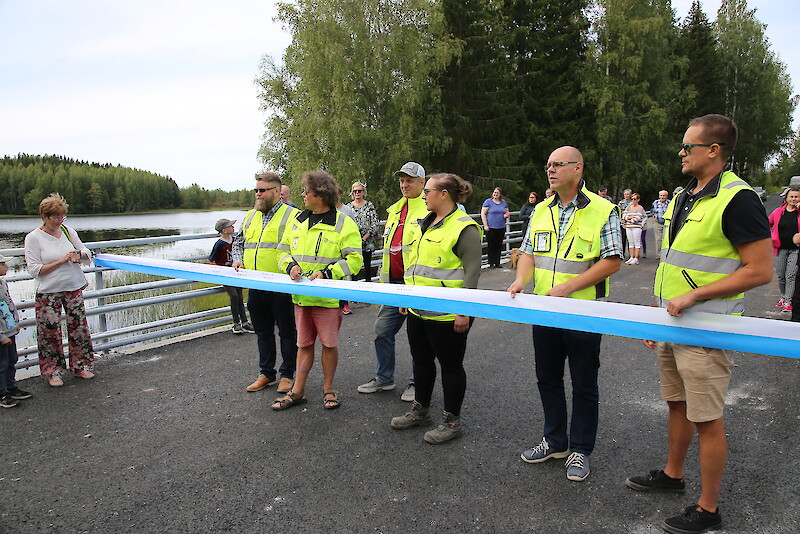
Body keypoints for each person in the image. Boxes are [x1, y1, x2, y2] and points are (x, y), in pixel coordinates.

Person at [628, 114, 772, 534]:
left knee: (707, 418)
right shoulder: (683, 195)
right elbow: (675, 262)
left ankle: (709, 509)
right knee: (676, 403)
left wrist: (695, 295)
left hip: (708, 326)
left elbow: (760, 270)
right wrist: (657, 316)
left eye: (688, 146)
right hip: (673, 324)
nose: (681, 152)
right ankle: (674, 476)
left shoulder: (738, 198)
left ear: (714, 150)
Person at [507, 146, 622, 482]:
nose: (550, 170)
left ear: (578, 168)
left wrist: (569, 288)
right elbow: (527, 253)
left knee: (584, 383)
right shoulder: (541, 210)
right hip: (545, 310)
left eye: (557, 164)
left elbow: (612, 259)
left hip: (583, 312)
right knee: (547, 378)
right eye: (548, 165)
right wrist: (519, 281)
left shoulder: (603, 210)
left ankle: (580, 450)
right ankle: (555, 440)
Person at [389, 173, 482, 444]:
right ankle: (421, 410)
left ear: (444, 194)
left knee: (451, 366)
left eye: (428, 190)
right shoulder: (425, 223)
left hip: (448, 315)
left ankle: (451, 420)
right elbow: (415, 264)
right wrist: (408, 297)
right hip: (419, 311)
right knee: (421, 362)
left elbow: (472, 274)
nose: (424, 194)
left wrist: (464, 311)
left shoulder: (464, 227)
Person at [274, 170, 363, 410]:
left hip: (328, 299)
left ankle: (329, 389)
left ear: (321, 195)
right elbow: (282, 252)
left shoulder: (344, 223)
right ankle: (297, 391)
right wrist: (290, 265)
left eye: (307, 192)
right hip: (301, 297)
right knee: (303, 345)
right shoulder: (298, 220)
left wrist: (327, 273)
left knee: (329, 344)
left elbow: (355, 259)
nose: (302, 195)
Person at [357, 161, 428, 402]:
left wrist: (414, 287)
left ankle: (417, 383)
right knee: (382, 331)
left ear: (422, 182)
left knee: (418, 338)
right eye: (401, 180)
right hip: (393, 285)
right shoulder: (395, 211)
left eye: (409, 180)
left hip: (417, 286)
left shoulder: (429, 209)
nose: (404, 184)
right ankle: (384, 378)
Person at [232, 173, 299, 395]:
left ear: (277, 192)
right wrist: (237, 258)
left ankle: (288, 375)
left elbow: (298, 248)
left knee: (288, 333)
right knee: (262, 332)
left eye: (262, 190)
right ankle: (266, 373)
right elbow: (238, 241)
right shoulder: (251, 216)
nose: (258, 194)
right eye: (256, 190)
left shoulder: (293, 215)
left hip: (282, 286)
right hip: (256, 284)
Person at [24, 193, 96, 387]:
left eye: (62, 217)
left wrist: (78, 255)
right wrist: (61, 260)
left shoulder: (67, 231)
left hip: (73, 286)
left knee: (79, 327)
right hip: (48, 291)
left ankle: (82, 365)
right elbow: (35, 270)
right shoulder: (33, 238)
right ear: (45, 217)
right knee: (50, 332)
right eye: (55, 217)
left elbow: (87, 253)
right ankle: (52, 371)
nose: (59, 220)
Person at [209, 218, 253, 334]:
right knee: (234, 296)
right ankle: (236, 323)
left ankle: (244, 322)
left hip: (236, 273)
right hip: (225, 275)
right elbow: (211, 260)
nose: (233, 228)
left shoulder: (235, 240)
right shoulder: (219, 244)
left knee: (239, 297)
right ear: (224, 230)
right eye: (230, 226)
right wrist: (219, 271)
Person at [1, 254, 32, 408]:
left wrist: (14, 324)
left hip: (9, 330)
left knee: (12, 359)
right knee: (2, 363)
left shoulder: (3, 283)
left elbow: (8, 306)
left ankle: (11, 387)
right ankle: (2, 393)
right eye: (3, 264)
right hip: (2, 334)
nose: (6, 267)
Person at [767, 187, 800, 312]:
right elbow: (767, 223)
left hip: (795, 250)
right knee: (781, 275)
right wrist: (772, 235)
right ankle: (783, 297)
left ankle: (788, 301)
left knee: (790, 276)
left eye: (796, 196)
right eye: (791, 196)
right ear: (786, 198)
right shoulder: (777, 212)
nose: (793, 199)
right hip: (780, 248)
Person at [346, 181, 379, 283]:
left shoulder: (369, 205)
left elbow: (374, 223)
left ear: (363, 192)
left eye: (359, 191)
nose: (357, 193)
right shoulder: (349, 207)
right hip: (353, 242)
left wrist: (364, 238)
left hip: (367, 242)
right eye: (355, 191)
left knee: (367, 267)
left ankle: (368, 291)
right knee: (353, 268)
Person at [481, 187, 510, 268]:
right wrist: (485, 225)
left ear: (500, 194)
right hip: (491, 227)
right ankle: (491, 262)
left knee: (498, 245)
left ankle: (497, 262)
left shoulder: (503, 202)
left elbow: (507, 212)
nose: (495, 194)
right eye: (494, 192)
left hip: (501, 227)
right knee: (491, 245)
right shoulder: (488, 202)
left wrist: (506, 215)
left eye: (497, 193)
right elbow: (483, 213)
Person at [622, 193, 646, 265]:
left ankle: (636, 258)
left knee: (637, 242)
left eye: (635, 199)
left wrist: (629, 218)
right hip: (628, 227)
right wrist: (629, 218)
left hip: (636, 227)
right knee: (630, 242)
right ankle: (631, 257)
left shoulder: (640, 208)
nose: (633, 200)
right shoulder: (629, 206)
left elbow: (637, 218)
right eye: (632, 199)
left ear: (638, 199)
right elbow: (624, 216)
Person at [651, 190, 670, 259]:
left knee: (666, 239)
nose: (662, 197)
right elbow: (652, 212)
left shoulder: (670, 203)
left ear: (666, 196)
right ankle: (659, 254)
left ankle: (666, 254)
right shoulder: (655, 203)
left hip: (667, 223)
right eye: (661, 195)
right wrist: (654, 221)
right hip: (657, 223)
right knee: (658, 239)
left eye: (664, 195)